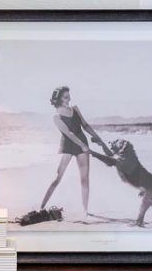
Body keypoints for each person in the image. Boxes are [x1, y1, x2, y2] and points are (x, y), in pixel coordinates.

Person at [40, 86, 110, 216]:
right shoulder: (56, 117)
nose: (69, 99)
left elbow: (85, 125)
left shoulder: (75, 108)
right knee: (57, 177)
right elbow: (69, 133)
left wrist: (98, 139)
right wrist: (83, 145)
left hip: (82, 142)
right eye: (65, 97)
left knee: (84, 179)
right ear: (58, 99)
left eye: (69, 96)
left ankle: (85, 210)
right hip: (68, 145)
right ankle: (42, 206)